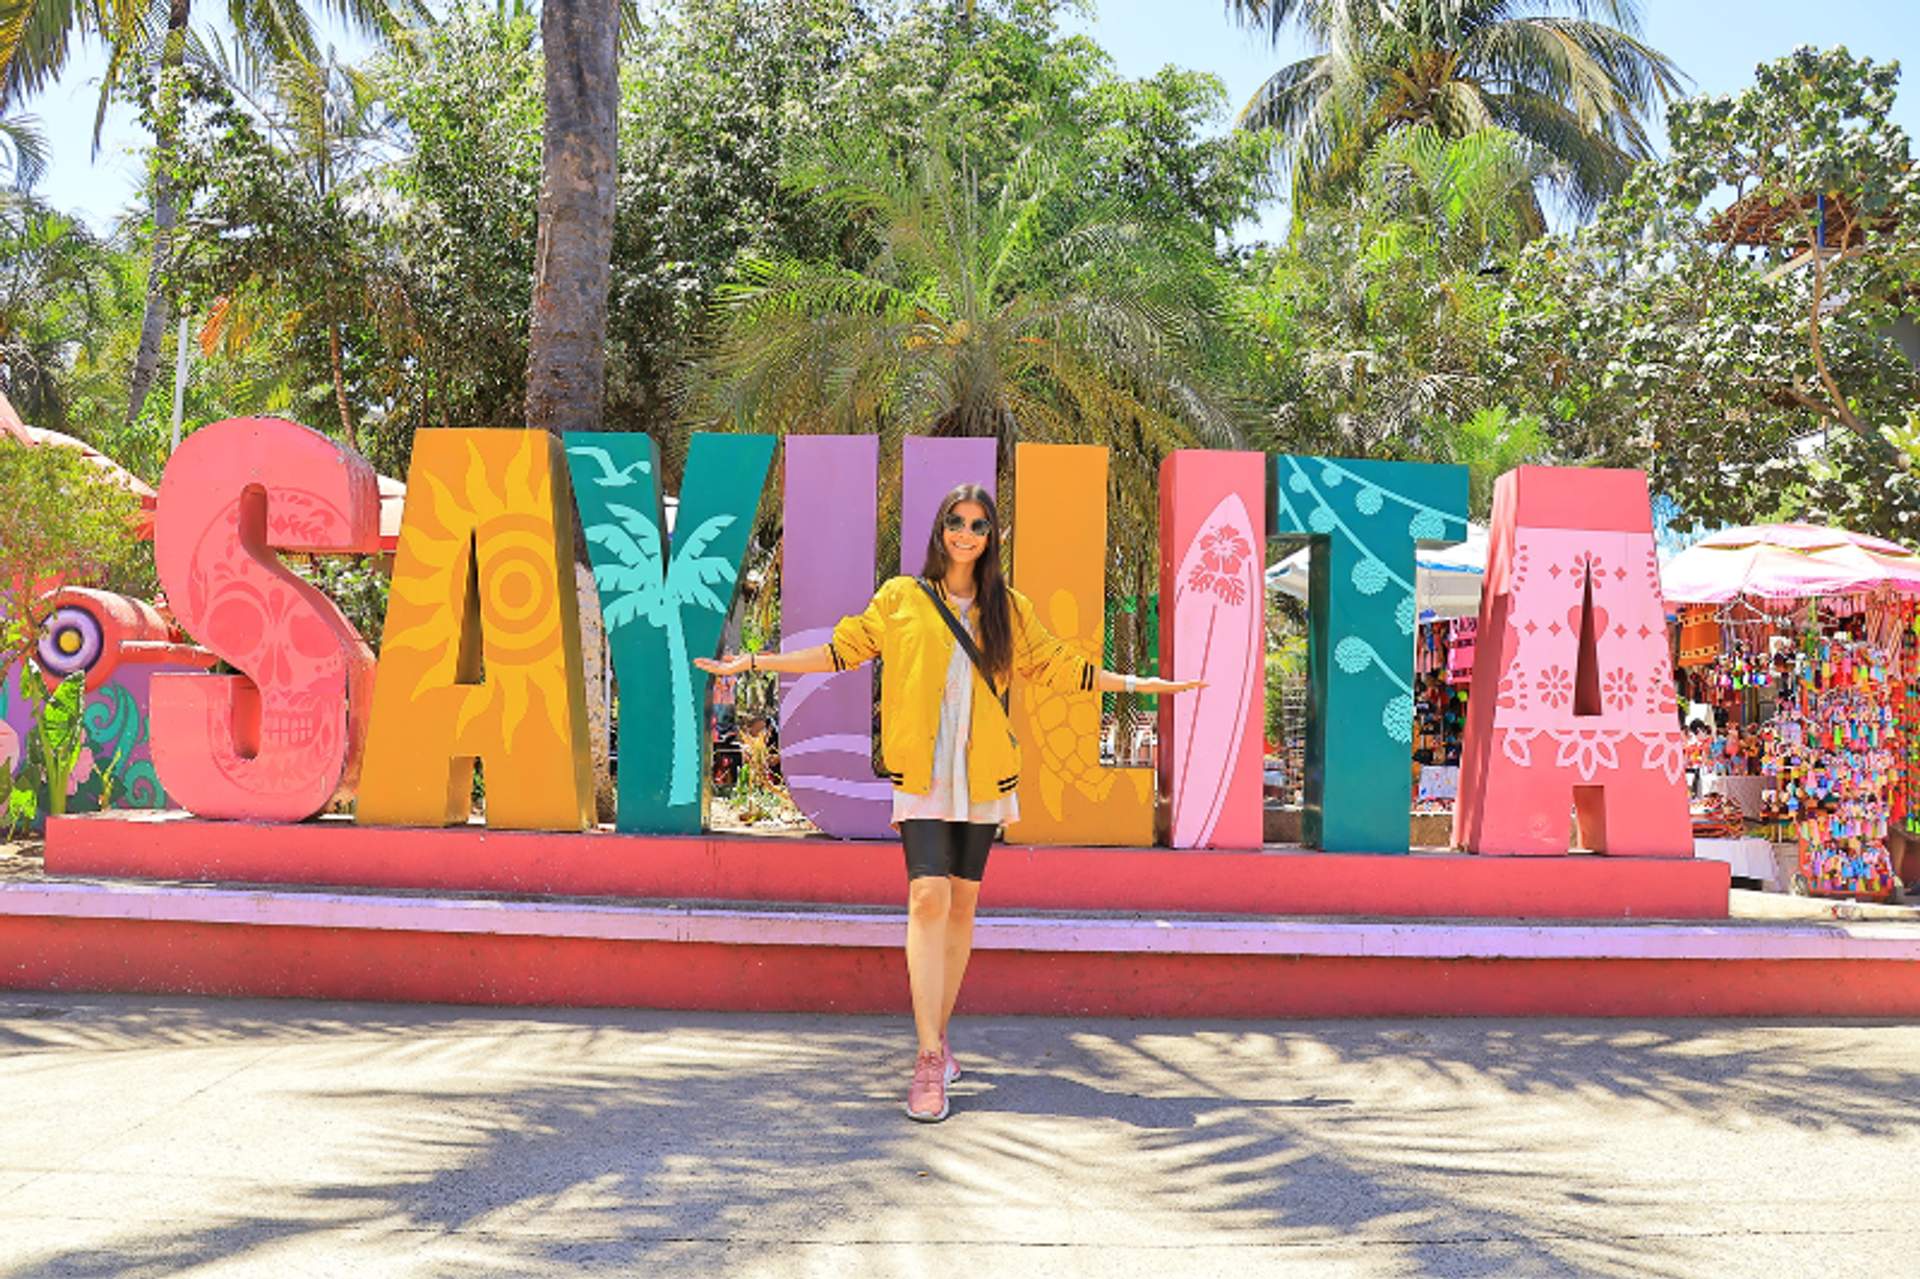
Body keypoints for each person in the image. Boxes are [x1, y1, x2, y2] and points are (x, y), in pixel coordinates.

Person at [697, 483, 1203, 1122]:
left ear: (992, 537)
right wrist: (754, 661)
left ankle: (939, 1035)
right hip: (924, 772)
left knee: (962, 904)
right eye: (956, 522)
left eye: (979, 525)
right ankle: (930, 1057)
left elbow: (1059, 667)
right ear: (940, 530)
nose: (966, 533)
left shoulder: (1007, 609)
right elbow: (839, 650)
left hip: (985, 775)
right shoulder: (902, 598)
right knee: (927, 896)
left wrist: (1142, 682)